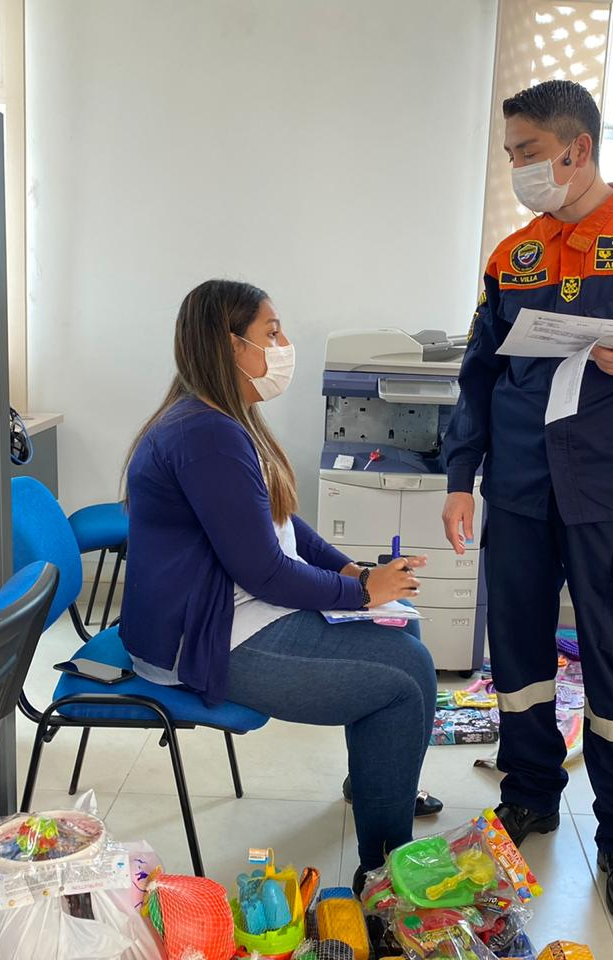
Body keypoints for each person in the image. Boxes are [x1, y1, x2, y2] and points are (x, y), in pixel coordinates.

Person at [441, 79, 613, 925]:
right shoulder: (513, 256)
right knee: (520, 663)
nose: (520, 169)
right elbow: (479, 377)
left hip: (612, 492)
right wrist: (462, 479)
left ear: (578, 148)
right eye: (512, 157)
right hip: (522, 490)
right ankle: (528, 793)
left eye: (528, 154)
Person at [119, 279, 435, 891]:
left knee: (404, 629)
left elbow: (285, 523)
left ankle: (379, 781)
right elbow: (262, 570)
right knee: (405, 677)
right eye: (271, 333)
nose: (284, 344)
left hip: (230, 609)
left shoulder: (222, 418)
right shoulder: (205, 434)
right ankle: (384, 871)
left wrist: (354, 574)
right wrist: (360, 592)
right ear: (230, 345)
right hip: (210, 637)